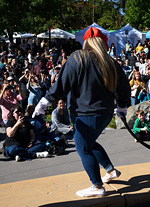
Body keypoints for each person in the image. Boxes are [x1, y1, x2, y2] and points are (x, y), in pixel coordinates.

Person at [32, 27, 131, 197]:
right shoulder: (110, 61)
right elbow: (124, 88)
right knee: (89, 143)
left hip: (85, 114)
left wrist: (44, 102)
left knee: (83, 148)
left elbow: (62, 84)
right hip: (105, 113)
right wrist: (122, 107)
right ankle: (110, 170)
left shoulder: (78, 57)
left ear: (86, 41)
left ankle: (97, 186)